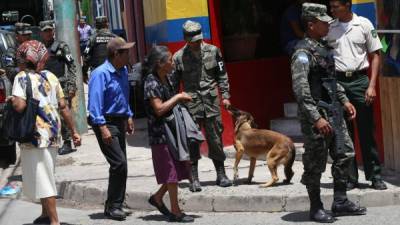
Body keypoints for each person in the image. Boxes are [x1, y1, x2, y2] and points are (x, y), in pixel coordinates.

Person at [291, 3, 367, 223]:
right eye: (324, 22)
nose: (328, 25)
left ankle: (341, 201)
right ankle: (316, 208)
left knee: (345, 154)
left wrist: (344, 100)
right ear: (311, 24)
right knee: (315, 163)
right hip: (317, 114)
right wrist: (317, 118)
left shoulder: (323, 47)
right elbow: (301, 90)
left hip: (334, 111)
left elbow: (331, 80)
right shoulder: (302, 53)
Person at [11, 40, 81, 225]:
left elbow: (20, 106)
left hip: (34, 136)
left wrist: (12, 98)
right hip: (52, 134)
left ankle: (54, 221)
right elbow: (64, 107)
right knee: (45, 174)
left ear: (26, 59)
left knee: (44, 180)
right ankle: (44, 214)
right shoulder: (50, 76)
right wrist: (74, 131)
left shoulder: (21, 78)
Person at [326, 0, 387, 190]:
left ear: (347, 5)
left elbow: (375, 54)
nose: (332, 9)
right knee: (344, 133)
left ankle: (375, 175)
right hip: (338, 83)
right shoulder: (329, 27)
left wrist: (372, 85)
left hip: (360, 81)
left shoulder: (364, 24)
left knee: (367, 130)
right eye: (331, 6)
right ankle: (350, 177)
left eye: (336, 6)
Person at [173, 20, 232, 192]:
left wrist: (225, 96)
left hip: (211, 101)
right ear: (186, 39)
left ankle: (221, 174)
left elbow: (222, 75)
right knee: (192, 141)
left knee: (215, 138)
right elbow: (175, 85)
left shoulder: (214, 51)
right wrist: (176, 104)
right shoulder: (178, 57)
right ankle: (194, 178)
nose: (197, 43)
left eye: (199, 39)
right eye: (193, 41)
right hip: (191, 104)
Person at [143, 45, 195, 223]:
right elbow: (158, 109)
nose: (173, 63)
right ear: (160, 63)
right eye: (170, 60)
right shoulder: (151, 82)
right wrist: (178, 98)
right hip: (160, 135)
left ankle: (157, 198)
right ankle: (176, 211)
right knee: (171, 173)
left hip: (173, 131)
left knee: (177, 169)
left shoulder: (169, 78)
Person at [88, 37, 135, 221]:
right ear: (116, 54)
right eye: (126, 52)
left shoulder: (123, 70)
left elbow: (124, 95)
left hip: (119, 120)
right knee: (118, 163)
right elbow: (94, 104)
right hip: (105, 122)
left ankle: (116, 203)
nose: (129, 55)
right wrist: (102, 127)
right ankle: (113, 206)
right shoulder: (100, 74)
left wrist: (129, 115)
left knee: (122, 164)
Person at [39, 20, 78, 155]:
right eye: (45, 31)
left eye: (50, 30)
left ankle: (67, 142)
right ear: (41, 33)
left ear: (53, 31)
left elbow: (71, 65)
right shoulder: (39, 48)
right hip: (44, 86)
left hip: (60, 85)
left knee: (63, 114)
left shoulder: (61, 46)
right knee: (47, 113)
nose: (48, 33)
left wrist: (72, 84)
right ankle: (51, 139)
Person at [83, 16, 117, 82]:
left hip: (97, 72)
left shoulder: (92, 39)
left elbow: (86, 56)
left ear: (96, 26)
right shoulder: (115, 38)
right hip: (113, 72)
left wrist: (84, 72)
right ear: (107, 24)